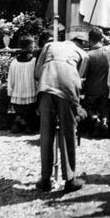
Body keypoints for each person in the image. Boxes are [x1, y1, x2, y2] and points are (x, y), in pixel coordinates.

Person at [35, 36, 88, 193]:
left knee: (46, 133)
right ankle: (70, 179)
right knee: (68, 133)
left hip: (46, 84)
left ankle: (45, 180)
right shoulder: (83, 54)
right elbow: (80, 78)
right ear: (82, 43)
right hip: (68, 87)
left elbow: (38, 71)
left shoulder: (50, 45)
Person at [83, 27, 110, 136]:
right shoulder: (108, 50)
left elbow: (83, 73)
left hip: (91, 88)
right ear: (101, 39)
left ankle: (95, 119)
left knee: (89, 107)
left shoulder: (88, 55)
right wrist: (103, 35)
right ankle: (104, 120)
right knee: (104, 107)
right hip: (105, 87)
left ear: (90, 40)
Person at [7, 34, 38, 133]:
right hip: (30, 92)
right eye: (33, 45)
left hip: (17, 94)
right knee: (30, 111)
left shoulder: (14, 62)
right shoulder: (33, 61)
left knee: (20, 110)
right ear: (29, 46)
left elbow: (10, 79)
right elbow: (37, 77)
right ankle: (28, 124)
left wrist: (10, 93)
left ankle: (19, 119)